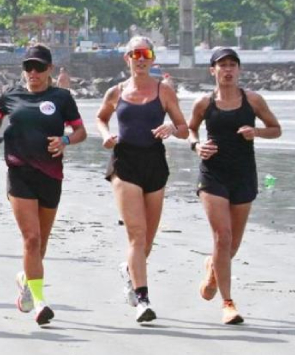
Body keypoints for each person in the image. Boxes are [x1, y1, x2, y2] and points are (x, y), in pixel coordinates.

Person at [0, 45, 86, 326]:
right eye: (28, 67)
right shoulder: (11, 94)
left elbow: (80, 131)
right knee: (31, 238)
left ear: (50, 69)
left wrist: (64, 141)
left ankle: (26, 283)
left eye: (39, 68)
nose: (33, 73)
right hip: (20, 172)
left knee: (41, 242)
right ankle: (40, 302)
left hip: (51, 175)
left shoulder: (61, 98)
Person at [95, 36, 189, 323]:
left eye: (146, 53)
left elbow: (185, 129)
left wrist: (171, 128)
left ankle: (129, 271)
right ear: (128, 58)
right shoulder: (116, 91)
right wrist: (105, 136)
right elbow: (101, 118)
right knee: (136, 234)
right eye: (135, 54)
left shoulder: (164, 90)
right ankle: (143, 300)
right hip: (125, 164)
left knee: (147, 237)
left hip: (155, 164)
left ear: (152, 58)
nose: (141, 58)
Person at [187, 47, 282, 325]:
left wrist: (257, 132)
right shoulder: (204, 103)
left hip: (243, 175)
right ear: (212, 70)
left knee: (233, 245)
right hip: (212, 174)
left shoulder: (252, 100)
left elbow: (276, 129)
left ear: (238, 70)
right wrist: (197, 145)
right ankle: (228, 303)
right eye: (222, 65)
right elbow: (191, 129)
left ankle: (213, 268)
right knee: (223, 237)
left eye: (232, 65)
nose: (227, 70)